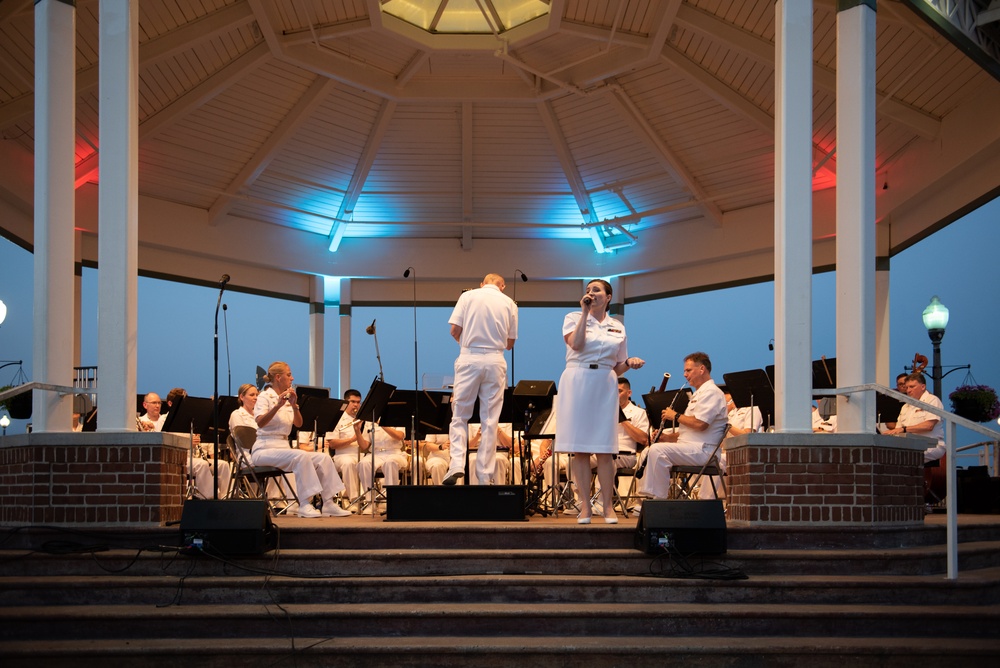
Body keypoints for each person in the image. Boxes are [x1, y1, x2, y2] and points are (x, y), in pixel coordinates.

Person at [555, 279, 645, 524]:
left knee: (606, 449)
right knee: (580, 448)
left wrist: (630, 363)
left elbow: (618, 367)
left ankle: (607, 507)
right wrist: (585, 313)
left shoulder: (618, 326)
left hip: (605, 381)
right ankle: (585, 506)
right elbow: (576, 344)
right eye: (588, 290)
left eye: (596, 290)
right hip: (577, 378)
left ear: (608, 297)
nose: (590, 293)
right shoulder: (573, 317)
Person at [444, 273, 518, 485]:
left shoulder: (468, 296)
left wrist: (466, 345)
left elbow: (454, 330)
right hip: (496, 360)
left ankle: (457, 463)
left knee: (460, 415)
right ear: (502, 286)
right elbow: (510, 343)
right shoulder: (510, 303)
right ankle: (485, 474)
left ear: (482, 284)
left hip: (470, 357)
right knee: (490, 419)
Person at [253, 362, 351, 518]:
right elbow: (260, 422)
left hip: (283, 447)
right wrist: (277, 406)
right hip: (264, 448)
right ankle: (304, 504)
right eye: (289, 374)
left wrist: (294, 406)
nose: (292, 378)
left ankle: (329, 503)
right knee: (301, 455)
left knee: (323, 458)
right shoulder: (265, 396)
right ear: (278, 377)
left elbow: (298, 424)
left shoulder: (286, 396)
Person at [643, 352, 728, 502]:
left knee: (657, 451)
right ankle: (656, 498)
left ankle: (658, 500)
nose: (684, 374)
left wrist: (674, 415)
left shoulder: (712, 392)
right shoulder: (699, 394)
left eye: (688, 370)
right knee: (655, 448)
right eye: (684, 371)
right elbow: (688, 430)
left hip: (705, 450)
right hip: (692, 448)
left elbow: (700, 424)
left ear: (701, 369)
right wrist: (665, 437)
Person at [887, 372, 945, 462]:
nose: (908, 390)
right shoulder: (905, 406)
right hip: (909, 445)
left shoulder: (932, 400)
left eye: (912, 387)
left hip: (930, 446)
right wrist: (888, 434)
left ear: (923, 387)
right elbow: (898, 430)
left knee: (901, 458)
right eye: (907, 388)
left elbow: (929, 426)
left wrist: (904, 429)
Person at [325, 389, 368, 505]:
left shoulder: (363, 419)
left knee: (370, 462)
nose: (356, 405)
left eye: (358, 402)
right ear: (345, 402)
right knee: (349, 463)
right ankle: (354, 500)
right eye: (353, 402)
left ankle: (371, 500)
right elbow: (332, 444)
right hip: (342, 455)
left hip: (361, 453)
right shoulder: (336, 418)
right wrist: (352, 439)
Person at [355, 422, 409, 514]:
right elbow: (364, 446)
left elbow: (399, 436)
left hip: (394, 452)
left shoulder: (395, 418)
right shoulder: (369, 421)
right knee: (363, 463)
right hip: (376, 454)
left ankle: (391, 501)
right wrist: (357, 430)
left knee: (390, 462)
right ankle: (370, 502)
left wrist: (382, 424)